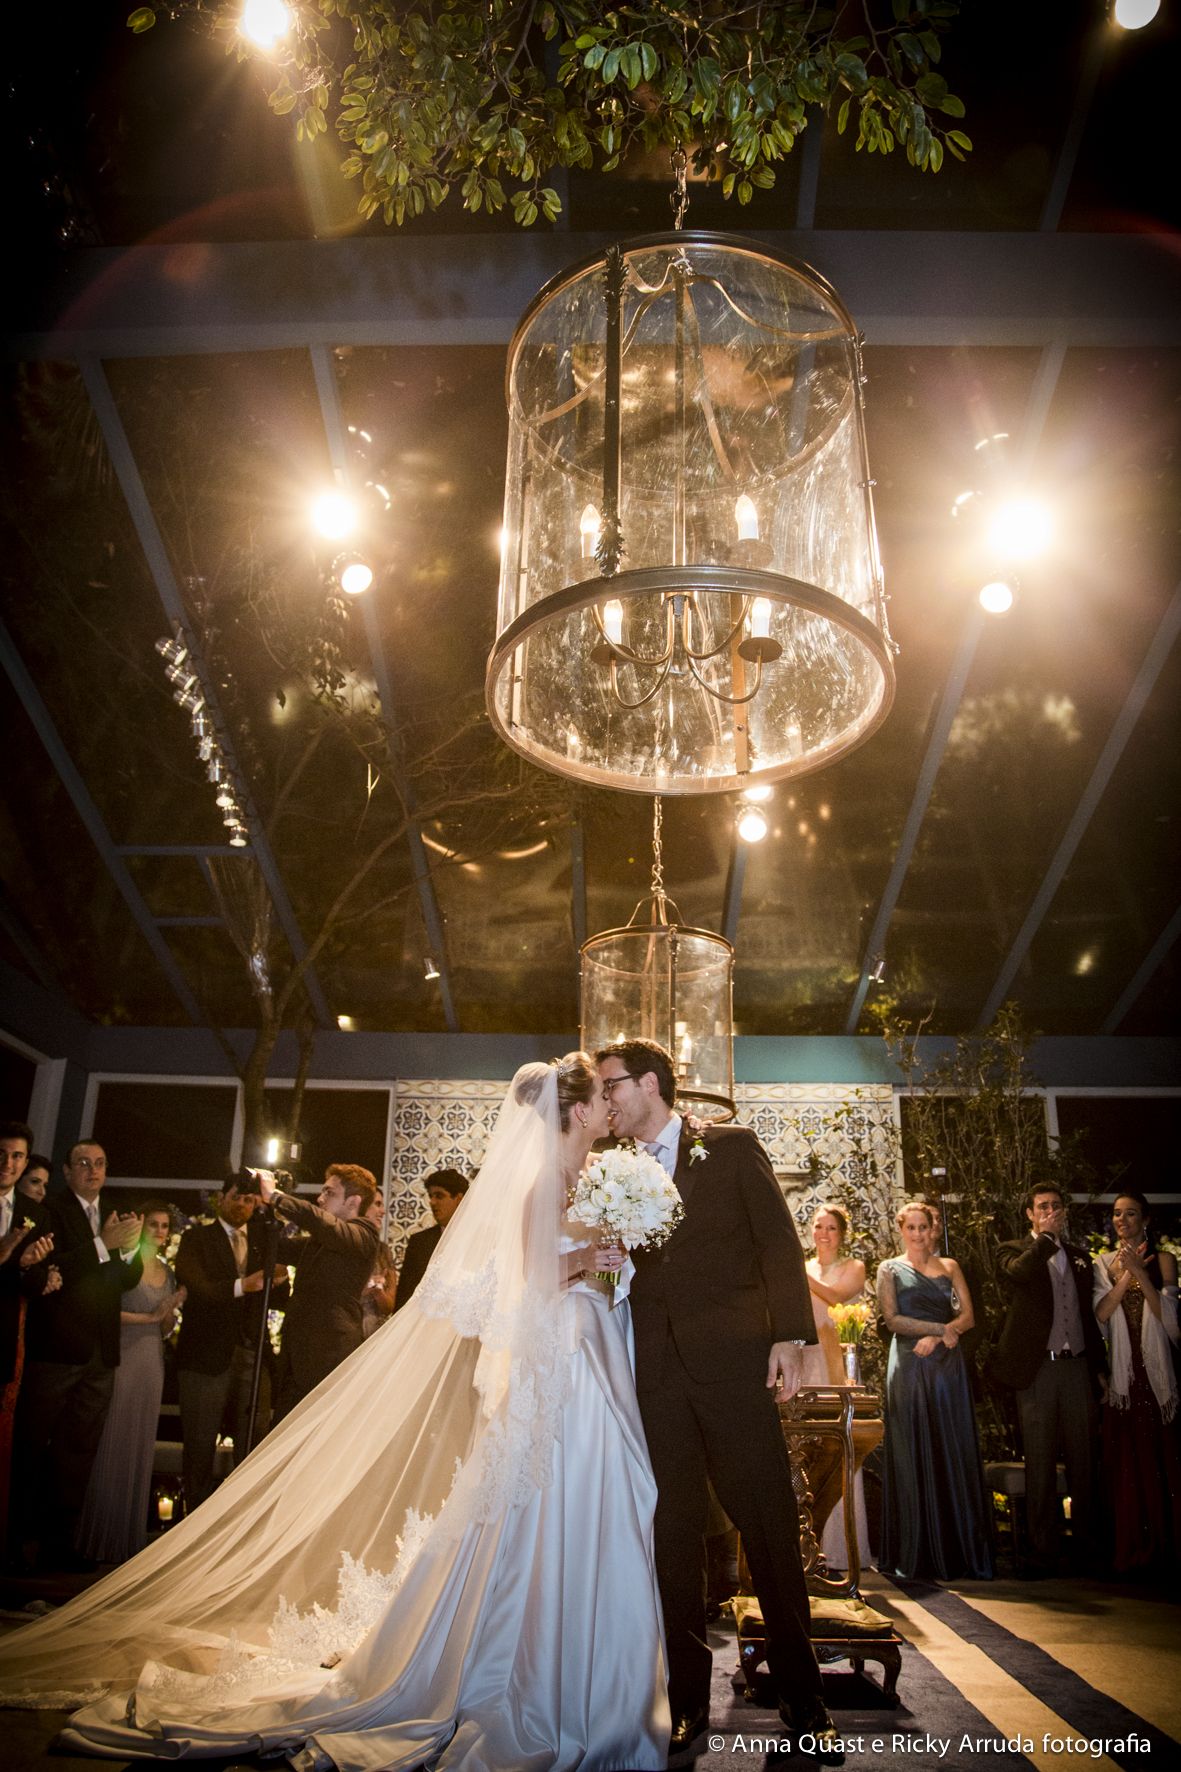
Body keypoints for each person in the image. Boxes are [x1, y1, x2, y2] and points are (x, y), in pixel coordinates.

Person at [0, 1056, 670, 1772]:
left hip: (584, 1349)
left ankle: (574, 1656)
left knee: (580, 1500)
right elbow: (531, 1277)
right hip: (559, 1357)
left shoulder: (588, 1176)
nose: (609, 1106)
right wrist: (589, 1258)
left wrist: (607, 1257)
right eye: (600, 1096)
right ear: (575, 1110)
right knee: (544, 1505)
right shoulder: (540, 1182)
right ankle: (525, 1666)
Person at [596, 1037, 836, 1764]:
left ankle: (803, 1698)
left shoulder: (729, 1147)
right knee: (672, 1538)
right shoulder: (612, 1166)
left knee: (766, 1528)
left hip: (735, 1369)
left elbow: (776, 1242)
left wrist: (790, 1337)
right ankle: (686, 1704)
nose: (605, 1100)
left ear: (649, 1084)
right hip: (655, 1375)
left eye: (612, 1085)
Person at [14, 1140, 142, 1569]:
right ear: (68, 1171)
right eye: (84, 1163)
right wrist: (103, 1245)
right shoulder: (50, 1210)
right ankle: (17, 1544)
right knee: (33, 1445)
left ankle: (59, 1545)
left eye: (100, 1163)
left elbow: (126, 1279)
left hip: (100, 1351)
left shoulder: (114, 1212)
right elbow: (53, 1272)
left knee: (79, 1450)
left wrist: (130, 1247)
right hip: (56, 1348)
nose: (93, 1170)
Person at [989, 1183, 1107, 1576]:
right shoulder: (1013, 1250)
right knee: (1039, 1461)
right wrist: (1044, 1240)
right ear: (1030, 1213)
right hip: (1038, 1369)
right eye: (1042, 1207)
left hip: (1077, 1367)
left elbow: (1088, 1316)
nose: (1050, 1212)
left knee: (1083, 1460)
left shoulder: (1080, 1258)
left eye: (1056, 1206)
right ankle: (1043, 1550)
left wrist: (1100, 1369)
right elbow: (1018, 1274)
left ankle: (1088, 1547)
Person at [877, 1202, 993, 1580]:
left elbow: (968, 1317)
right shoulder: (889, 1269)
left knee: (951, 1446)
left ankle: (960, 1552)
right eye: (910, 1227)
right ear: (902, 1230)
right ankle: (916, 1554)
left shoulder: (951, 1267)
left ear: (933, 1228)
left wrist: (945, 1334)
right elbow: (892, 1320)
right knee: (911, 1449)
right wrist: (936, 1330)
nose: (917, 1234)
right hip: (909, 1364)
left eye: (923, 1227)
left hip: (947, 1366)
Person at [76, 1202, 184, 1564]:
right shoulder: (124, 1263)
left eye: (164, 1226)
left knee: (140, 1441)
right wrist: (149, 1317)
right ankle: (96, 1536)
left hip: (153, 1361)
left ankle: (125, 1540)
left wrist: (168, 1314)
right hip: (122, 1355)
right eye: (153, 1224)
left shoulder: (167, 1272)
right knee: (112, 1437)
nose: (159, 1231)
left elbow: (164, 1326)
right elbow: (106, 1310)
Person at [174, 1172, 289, 1511]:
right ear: (221, 1198)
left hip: (252, 1353)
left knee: (253, 1443)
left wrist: (279, 1280)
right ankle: (194, 1517)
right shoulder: (197, 1237)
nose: (242, 1205)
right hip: (205, 1356)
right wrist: (243, 1285)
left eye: (250, 1200)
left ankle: (242, 1518)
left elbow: (278, 1299)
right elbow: (197, 1287)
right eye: (236, 1197)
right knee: (199, 1444)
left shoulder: (263, 1241)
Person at [1093, 1190, 1181, 1573]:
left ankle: (1166, 1551)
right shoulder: (1103, 1263)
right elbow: (1101, 1314)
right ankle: (1133, 1552)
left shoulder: (1164, 1260)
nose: (1122, 1220)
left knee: (1162, 1462)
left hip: (1157, 1375)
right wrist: (1125, 1273)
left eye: (1130, 1214)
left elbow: (1170, 1320)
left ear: (1145, 1220)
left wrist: (1141, 1273)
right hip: (1124, 1378)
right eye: (1117, 1214)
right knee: (1129, 1464)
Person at [265, 1164, 381, 1421]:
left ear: (353, 1201)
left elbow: (323, 1224)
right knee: (283, 1431)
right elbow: (277, 1247)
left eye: (329, 1193)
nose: (320, 1198)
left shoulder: (365, 1233)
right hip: (297, 1355)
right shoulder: (320, 1241)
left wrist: (276, 1197)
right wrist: (259, 1208)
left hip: (329, 1353)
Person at [800, 1203, 871, 1572]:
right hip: (804, 1361)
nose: (823, 1234)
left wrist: (795, 1270)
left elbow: (837, 1297)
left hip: (834, 1364)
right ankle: (803, 1545)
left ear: (841, 1234)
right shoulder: (805, 1266)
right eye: (818, 1226)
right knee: (803, 1450)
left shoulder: (853, 1267)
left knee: (838, 1447)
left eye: (831, 1228)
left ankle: (840, 1548)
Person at [393, 1168, 469, 1312]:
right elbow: (405, 1295)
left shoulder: (478, 1239)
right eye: (430, 1196)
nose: (432, 1202)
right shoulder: (419, 1242)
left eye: (439, 1196)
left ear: (459, 1199)